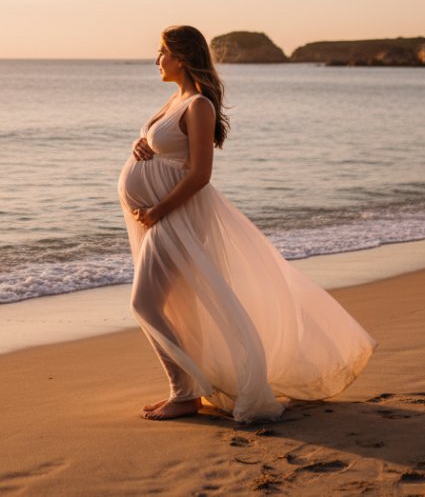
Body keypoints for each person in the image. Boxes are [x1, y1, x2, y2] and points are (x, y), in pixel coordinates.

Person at [117, 25, 377, 422]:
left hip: (178, 217)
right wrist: (142, 144)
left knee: (145, 304)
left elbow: (201, 173)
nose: (157, 60)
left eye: (162, 52)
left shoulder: (199, 105)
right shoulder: (175, 101)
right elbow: (167, 149)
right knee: (178, 307)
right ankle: (187, 390)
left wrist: (158, 210)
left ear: (182, 57)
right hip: (166, 216)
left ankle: (184, 392)